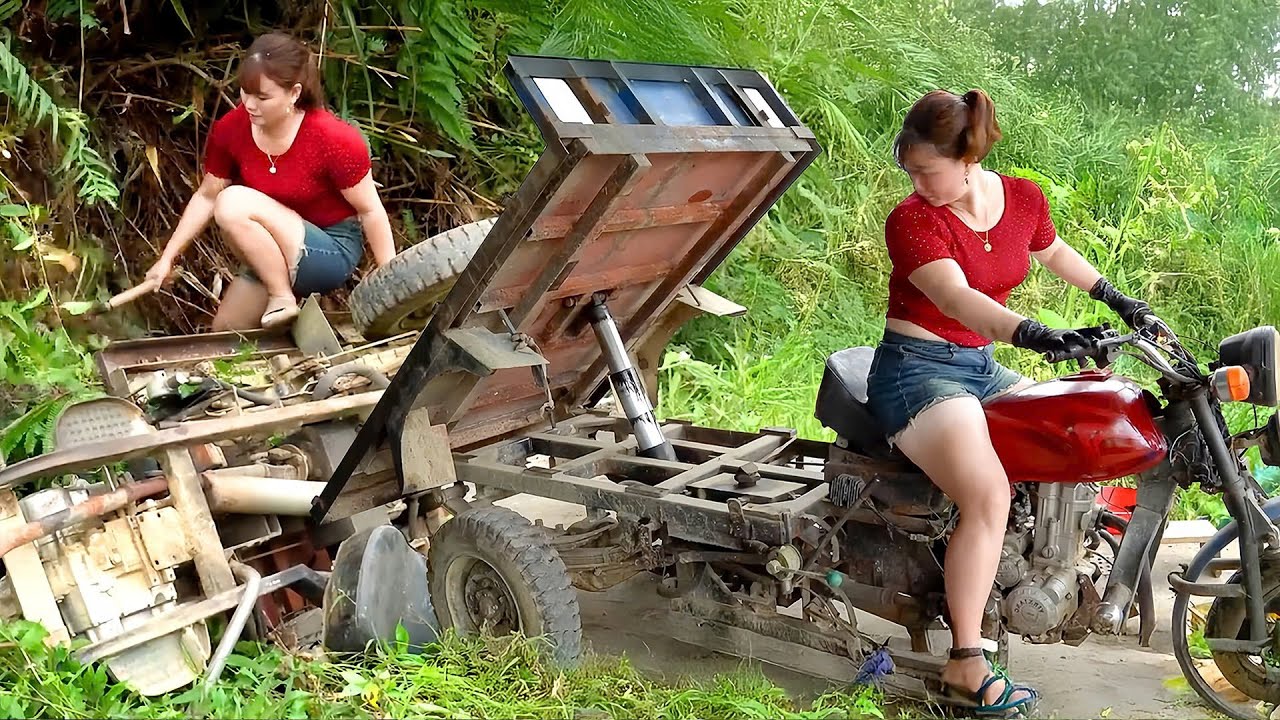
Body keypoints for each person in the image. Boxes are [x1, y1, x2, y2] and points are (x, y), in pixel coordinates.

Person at [865, 89, 1152, 716]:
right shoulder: (912, 219)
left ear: (966, 158)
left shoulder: (1021, 198)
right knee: (989, 495)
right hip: (917, 372)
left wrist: (1116, 298)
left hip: (980, 368)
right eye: (910, 172)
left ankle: (1033, 574)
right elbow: (956, 299)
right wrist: (1034, 333)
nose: (916, 184)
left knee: (1069, 434)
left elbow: (1052, 251)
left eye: (926, 170)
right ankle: (966, 663)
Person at [145, 32, 396, 330]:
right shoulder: (232, 128)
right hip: (268, 252)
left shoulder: (333, 139)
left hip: (329, 251)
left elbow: (370, 210)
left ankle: (282, 297)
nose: (250, 104)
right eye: (245, 92)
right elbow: (207, 195)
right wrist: (167, 258)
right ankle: (286, 313)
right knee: (226, 332)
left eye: (262, 97)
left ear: (294, 93)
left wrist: (394, 282)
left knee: (232, 202)